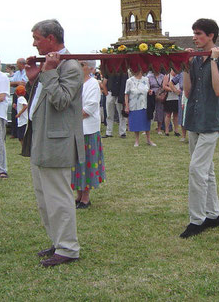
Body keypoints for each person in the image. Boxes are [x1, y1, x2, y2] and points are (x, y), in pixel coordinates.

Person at [22, 19, 84, 267]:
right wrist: (33, 79)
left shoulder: (70, 67)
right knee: (44, 198)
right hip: (41, 140)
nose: (34, 42)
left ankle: (68, 248)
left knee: (58, 198)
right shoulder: (51, 65)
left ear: (51, 38)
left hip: (57, 142)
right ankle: (58, 241)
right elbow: (40, 102)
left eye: (37, 38)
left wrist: (47, 73)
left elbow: (61, 102)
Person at [180, 18, 219, 238]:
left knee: (196, 169)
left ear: (211, 36)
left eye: (199, 33)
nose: (194, 37)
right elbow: (186, 91)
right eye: (194, 33)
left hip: (211, 122)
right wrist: (185, 65)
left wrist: (213, 61)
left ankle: (197, 220)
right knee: (206, 171)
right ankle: (213, 215)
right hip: (194, 120)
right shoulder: (194, 60)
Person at [72, 60, 106, 209]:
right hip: (74, 128)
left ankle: (85, 197)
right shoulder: (75, 83)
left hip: (87, 129)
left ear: (91, 68)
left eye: (82, 64)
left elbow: (90, 106)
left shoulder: (92, 84)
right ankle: (78, 194)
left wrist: (72, 116)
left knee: (86, 162)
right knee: (75, 163)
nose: (79, 67)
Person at [125, 69, 156, 147]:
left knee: (146, 122)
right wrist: (127, 106)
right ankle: (136, 140)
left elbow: (148, 90)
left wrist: (150, 92)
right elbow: (126, 94)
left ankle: (148, 139)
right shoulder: (129, 81)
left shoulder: (146, 79)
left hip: (145, 104)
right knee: (136, 122)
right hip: (134, 104)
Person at [103, 73, 128, 138]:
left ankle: (122, 132)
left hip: (120, 94)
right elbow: (104, 83)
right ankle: (109, 132)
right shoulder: (108, 70)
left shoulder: (123, 71)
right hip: (110, 93)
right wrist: (107, 94)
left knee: (121, 115)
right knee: (109, 114)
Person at [10, 58, 28, 139]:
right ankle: (14, 132)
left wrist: (17, 83)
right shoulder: (17, 73)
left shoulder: (27, 72)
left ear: (22, 64)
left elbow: (24, 83)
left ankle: (24, 131)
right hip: (16, 94)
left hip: (25, 93)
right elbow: (11, 83)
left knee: (23, 112)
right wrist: (17, 82)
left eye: (17, 64)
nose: (16, 65)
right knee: (14, 111)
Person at [163, 70, 181, 136]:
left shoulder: (179, 76)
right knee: (168, 115)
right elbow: (164, 86)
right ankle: (167, 131)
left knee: (176, 115)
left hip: (177, 98)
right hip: (169, 98)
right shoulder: (167, 76)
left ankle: (176, 130)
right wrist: (173, 90)